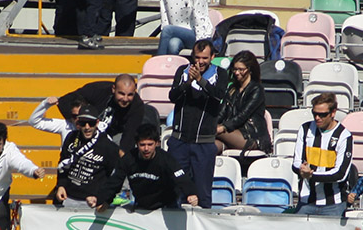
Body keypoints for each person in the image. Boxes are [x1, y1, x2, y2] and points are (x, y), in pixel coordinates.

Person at [168, 39, 227, 208]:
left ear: (213, 57)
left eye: (204, 58)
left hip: (204, 143)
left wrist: (200, 80)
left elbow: (218, 96)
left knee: (203, 193)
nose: (200, 62)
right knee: (176, 189)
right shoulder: (182, 71)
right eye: (197, 57)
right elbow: (173, 96)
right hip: (180, 141)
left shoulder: (220, 74)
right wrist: (188, 83)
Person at [89, 123, 198, 210]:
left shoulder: (166, 159)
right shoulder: (128, 159)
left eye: (150, 144)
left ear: (157, 143)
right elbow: (114, 182)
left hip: (166, 206)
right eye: (142, 145)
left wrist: (191, 193)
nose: (146, 149)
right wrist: (101, 199)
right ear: (137, 144)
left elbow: (182, 179)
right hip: (141, 205)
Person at [292, 92, 354, 216]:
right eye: (314, 114)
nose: (317, 118)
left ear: (333, 113)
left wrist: (311, 175)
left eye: (322, 115)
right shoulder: (305, 129)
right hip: (306, 201)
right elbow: (296, 162)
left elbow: (340, 174)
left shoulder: (344, 136)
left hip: (333, 205)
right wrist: (302, 170)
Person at [54, 104, 122, 206]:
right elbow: (63, 164)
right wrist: (61, 185)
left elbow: (115, 177)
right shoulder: (71, 137)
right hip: (67, 197)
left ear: (97, 122)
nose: (87, 127)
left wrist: (104, 199)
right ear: (78, 122)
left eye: (91, 123)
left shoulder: (108, 146)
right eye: (83, 123)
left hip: (91, 202)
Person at [59, 75, 145, 153]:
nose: (125, 99)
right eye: (121, 94)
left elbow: (129, 137)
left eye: (130, 95)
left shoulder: (137, 106)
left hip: (112, 136)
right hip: (87, 131)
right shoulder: (98, 89)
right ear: (113, 89)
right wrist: (78, 122)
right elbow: (64, 101)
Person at [216, 50, 271, 155]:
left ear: (250, 70)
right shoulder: (232, 89)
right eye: (235, 69)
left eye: (241, 69)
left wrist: (222, 127)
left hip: (251, 136)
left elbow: (242, 116)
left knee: (209, 131)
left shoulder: (256, 89)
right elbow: (222, 112)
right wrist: (214, 124)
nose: (236, 72)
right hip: (232, 132)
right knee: (209, 146)